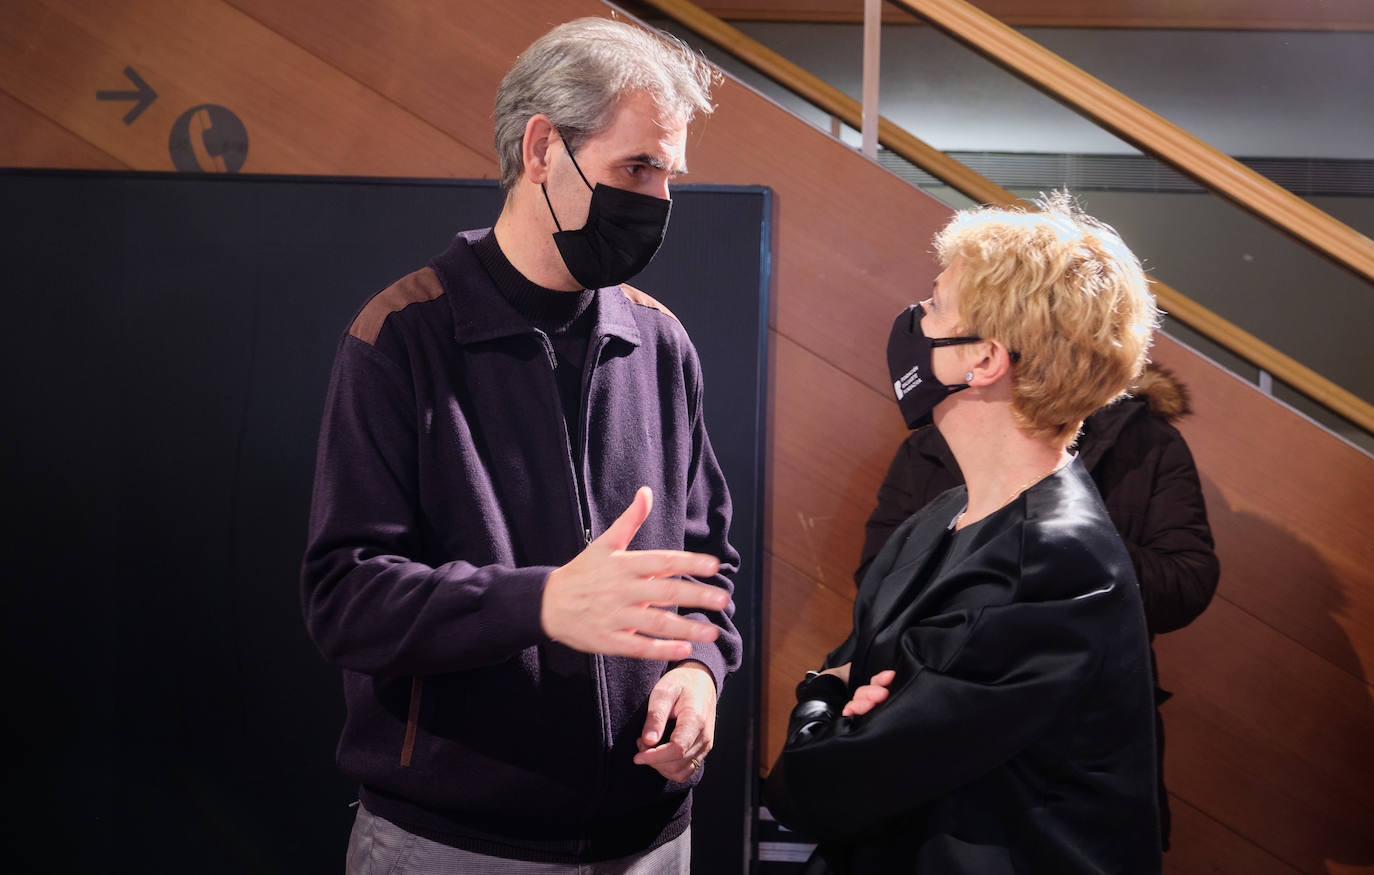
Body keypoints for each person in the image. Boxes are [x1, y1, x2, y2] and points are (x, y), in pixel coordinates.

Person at [300, 18, 740, 873]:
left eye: (668, 175)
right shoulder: (402, 337)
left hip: (651, 841)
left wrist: (699, 671)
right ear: (542, 148)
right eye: (635, 168)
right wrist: (539, 603)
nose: (656, 202)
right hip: (452, 842)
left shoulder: (661, 343)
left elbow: (706, 561)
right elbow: (344, 596)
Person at [764, 194, 1164, 873]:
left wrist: (825, 698)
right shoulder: (944, 511)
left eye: (935, 306)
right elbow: (857, 704)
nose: (915, 320)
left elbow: (821, 787)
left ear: (983, 359)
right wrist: (845, 699)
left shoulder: (1052, 559)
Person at [853, 362, 1219, 852]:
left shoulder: (1146, 441)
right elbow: (879, 583)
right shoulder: (933, 443)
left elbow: (1186, 584)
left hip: (1078, 748)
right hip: (932, 725)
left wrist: (1060, 529)